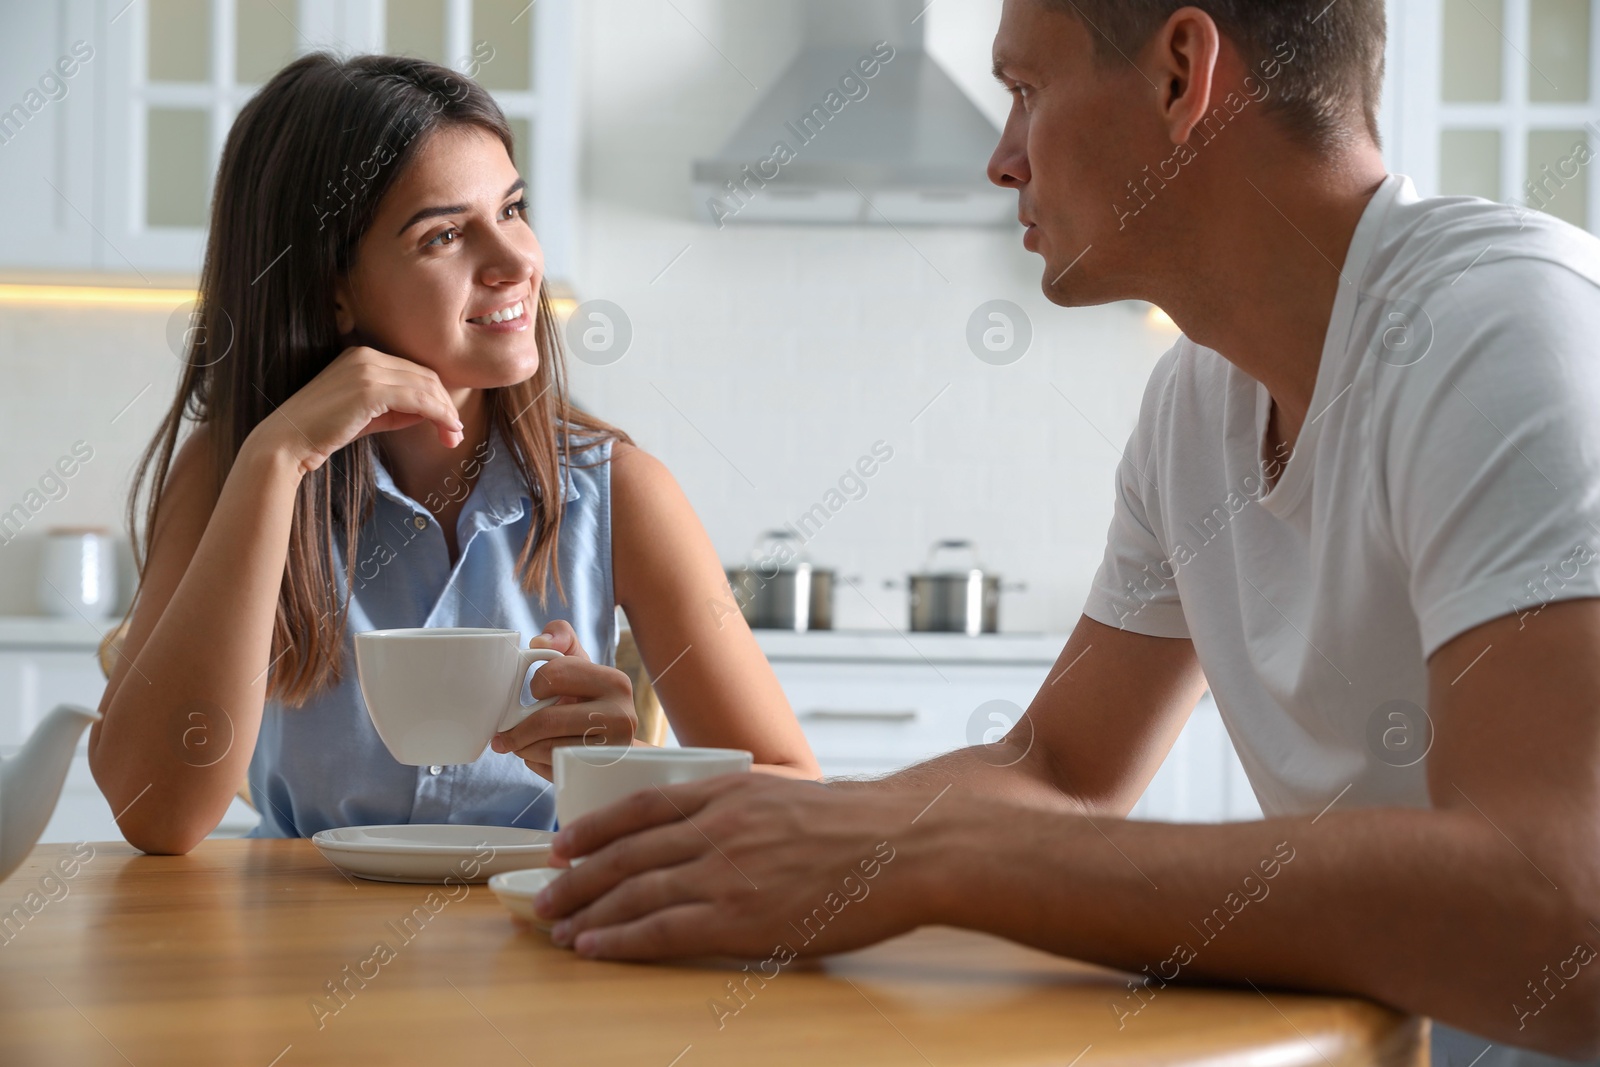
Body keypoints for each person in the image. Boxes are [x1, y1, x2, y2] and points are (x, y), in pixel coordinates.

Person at [529, 2, 1600, 1062]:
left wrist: (943, 853)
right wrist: (751, 838)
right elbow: (1056, 765)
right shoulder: (1195, 400)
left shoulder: (1507, 323)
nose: (1001, 161)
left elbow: (1562, 912)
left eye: (1025, 91)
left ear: (1181, 74)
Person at [89, 53, 818, 855]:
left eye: (514, 209)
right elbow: (155, 816)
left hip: (544, 931)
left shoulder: (620, 493)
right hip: (296, 943)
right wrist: (277, 457)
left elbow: (793, 787)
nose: (516, 264)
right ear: (331, 290)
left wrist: (618, 768)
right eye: (444, 234)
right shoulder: (234, 470)